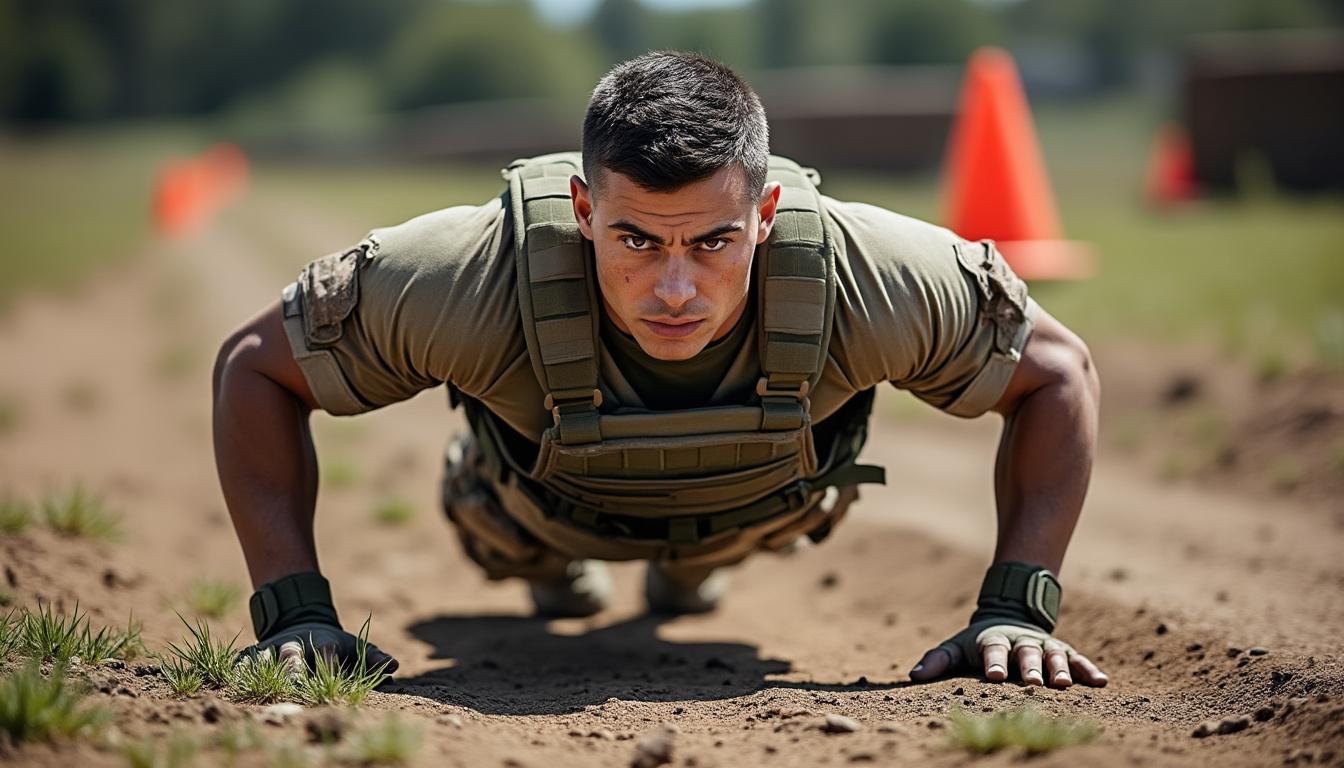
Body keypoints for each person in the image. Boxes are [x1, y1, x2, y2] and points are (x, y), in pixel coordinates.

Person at [212, 51, 1107, 690]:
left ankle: (687, 572)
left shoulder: (867, 275)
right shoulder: (469, 275)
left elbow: (1058, 373)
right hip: (536, 511)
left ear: (765, 214)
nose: (674, 288)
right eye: (635, 238)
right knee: (512, 536)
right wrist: (295, 613)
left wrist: (1016, 608)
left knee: (712, 545)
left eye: (714, 241)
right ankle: (559, 576)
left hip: (759, 510)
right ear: (582, 209)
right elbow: (256, 366)